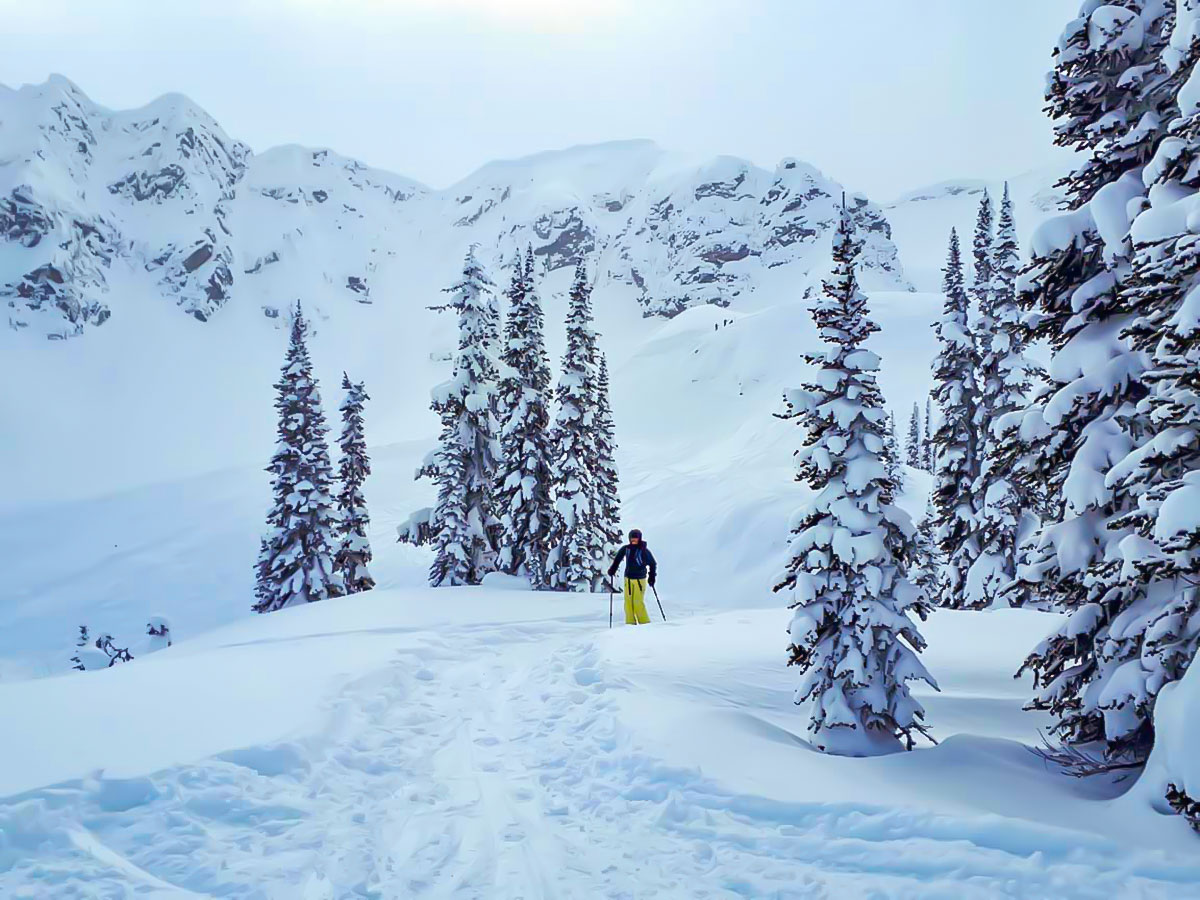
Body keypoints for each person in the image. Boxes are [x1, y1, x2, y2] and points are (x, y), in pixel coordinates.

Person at [608, 529, 657, 625]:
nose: (634, 541)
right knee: (628, 604)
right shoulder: (626, 549)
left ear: (639, 539)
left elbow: (652, 564)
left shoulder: (644, 550)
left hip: (640, 580)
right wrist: (613, 569)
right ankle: (630, 624)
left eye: (636, 539)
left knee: (638, 603)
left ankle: (645, 624)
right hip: (628, 580)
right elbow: (618, 559)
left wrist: (652, 577)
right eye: (632, 539)